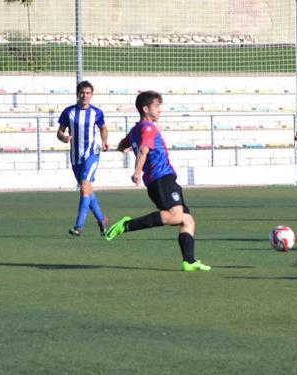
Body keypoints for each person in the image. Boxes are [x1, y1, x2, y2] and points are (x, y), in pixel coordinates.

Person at [107, 91, 211, 272]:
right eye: (157, 106)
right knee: (175, 216)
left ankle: (189, 261)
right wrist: (137, 171)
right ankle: (126, 225)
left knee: (187, 220)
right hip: (160, 178)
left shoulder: (135, 130)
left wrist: (124, 149)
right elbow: (143, 150)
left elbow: (122, 145)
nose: (160, 110)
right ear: (146, 109)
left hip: (165, 178)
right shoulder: (148, 128)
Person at [57, 80, 109, 236]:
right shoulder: (68, 112)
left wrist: (104, 141)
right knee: (87, 190)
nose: (85, 96)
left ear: (91, 95)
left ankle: (78, 226)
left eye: (88, 93)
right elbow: (59, 132)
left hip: (91, 155)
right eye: (82, 93)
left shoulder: (96, 113)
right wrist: (64, 138)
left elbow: (103, 128)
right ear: (77, 94)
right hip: (75, 158)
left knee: (84, 187)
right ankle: (102, 220)